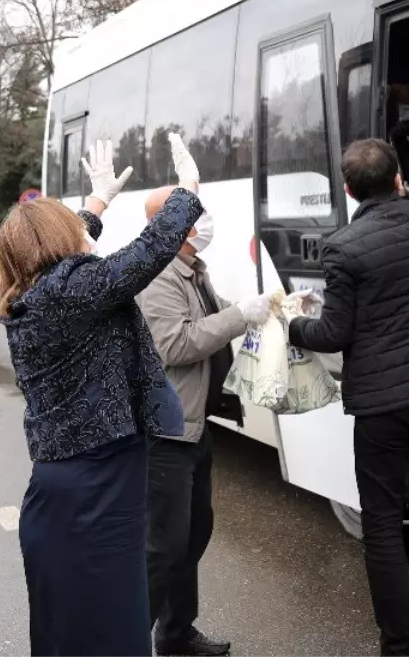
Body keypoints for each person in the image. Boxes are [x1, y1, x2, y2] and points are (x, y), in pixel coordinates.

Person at [0, 136, 202, 657]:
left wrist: (95, 204)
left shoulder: (31, 291)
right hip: (96, 495)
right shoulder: (72, 290)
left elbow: (64, 246)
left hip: (67, 493)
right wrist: (187, 192)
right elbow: (148, 252)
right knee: (112, 637)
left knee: (71, 636)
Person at [286, 138, 409, 657]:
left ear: (350, 191)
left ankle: (398, 647)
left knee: (382, 527)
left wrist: (293, 323)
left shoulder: (344, 246)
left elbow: (333, 333)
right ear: (399, 178)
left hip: (382, 410)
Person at [138, 188, 273, 657]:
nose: (205, 221)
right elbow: (174, 344)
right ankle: (126, 639)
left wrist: (264, 308)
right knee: (164, 548)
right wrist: (239, 317)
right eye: (196, 215)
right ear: (172, 224)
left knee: (193, 534)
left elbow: (211, 315)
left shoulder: (192, 270)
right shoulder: (157, 276)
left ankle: (176, 635)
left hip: (194, 425)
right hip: (166, 433)